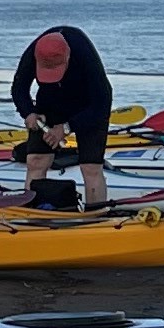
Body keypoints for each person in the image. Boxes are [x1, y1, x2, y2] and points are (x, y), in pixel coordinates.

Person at [11, 21, 114, 204]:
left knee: (91, 167)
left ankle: (95, 216)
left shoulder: (84, 54)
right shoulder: (33, 51)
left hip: (87, 105)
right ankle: (33, 212)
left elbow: (102, 103)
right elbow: (19, 87)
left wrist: (67, 128)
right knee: (35, 161)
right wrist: (29, 113)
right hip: (50, 103)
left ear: (67, 57)